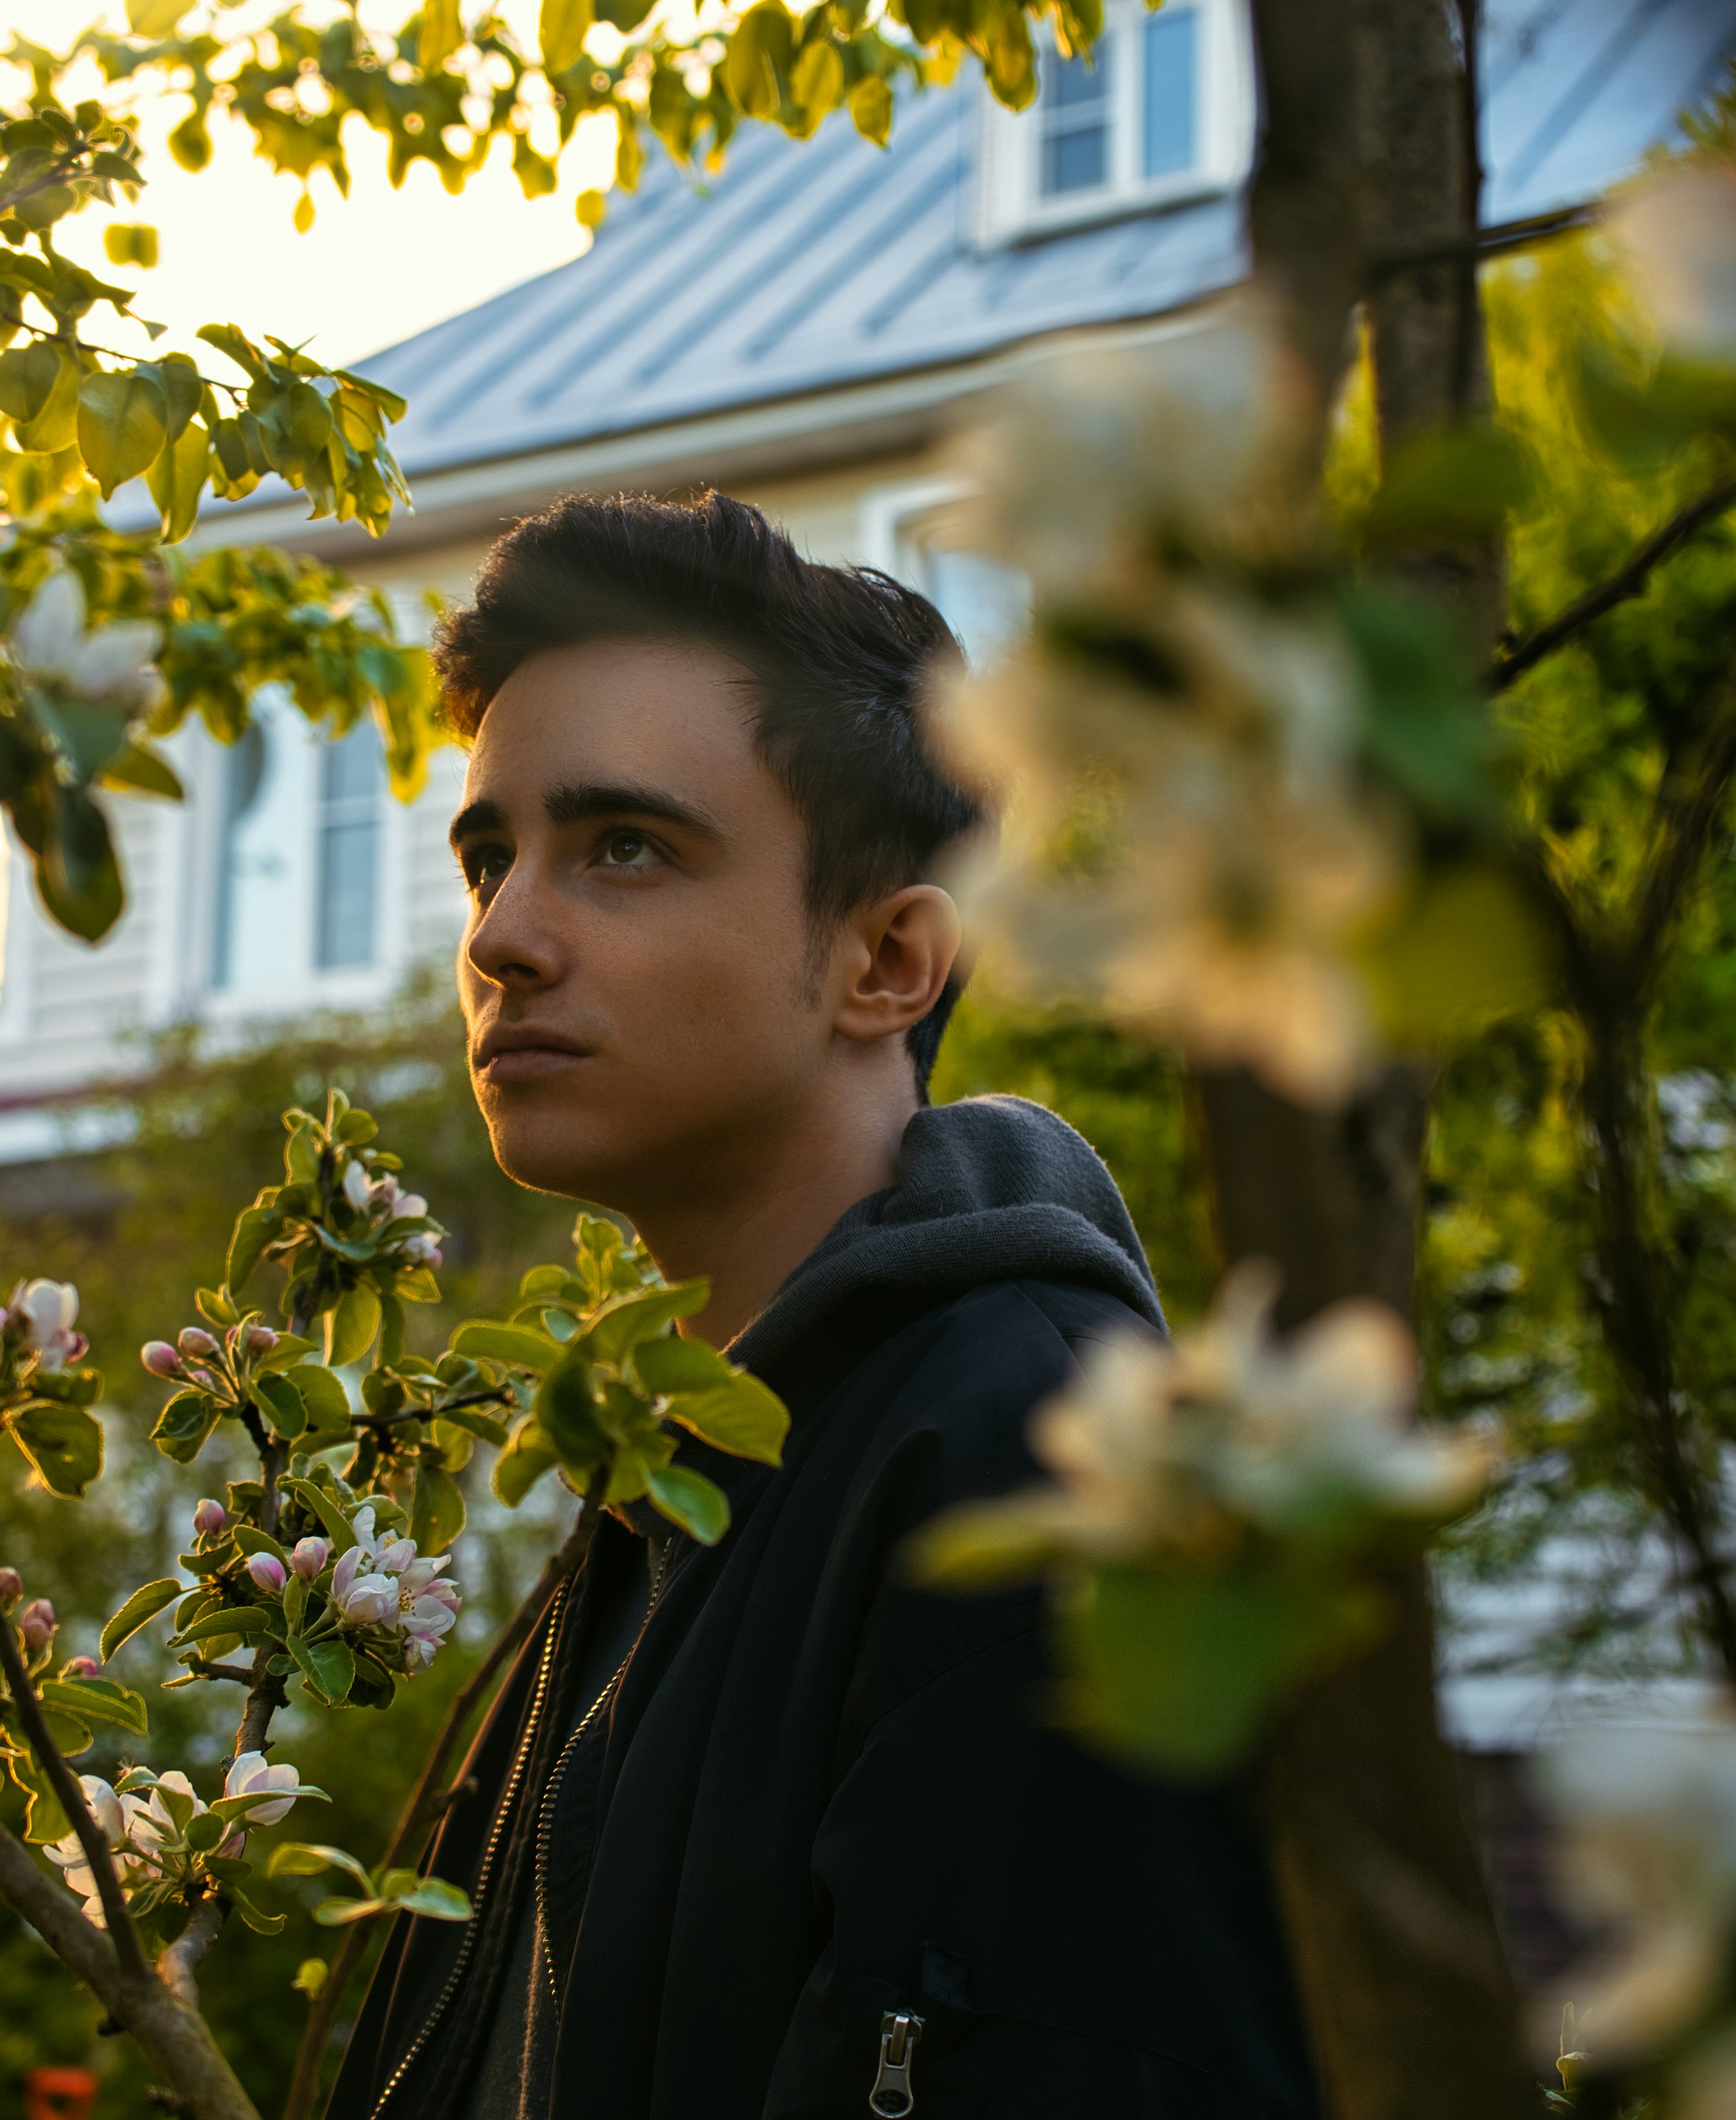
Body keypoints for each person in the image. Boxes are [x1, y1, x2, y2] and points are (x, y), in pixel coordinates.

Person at [325, 493, 1314, 2120]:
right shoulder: (681, 1490)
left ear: (889, 962)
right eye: (492, 858)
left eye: (622, 847)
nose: (501, 937)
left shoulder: (1030, 1467)